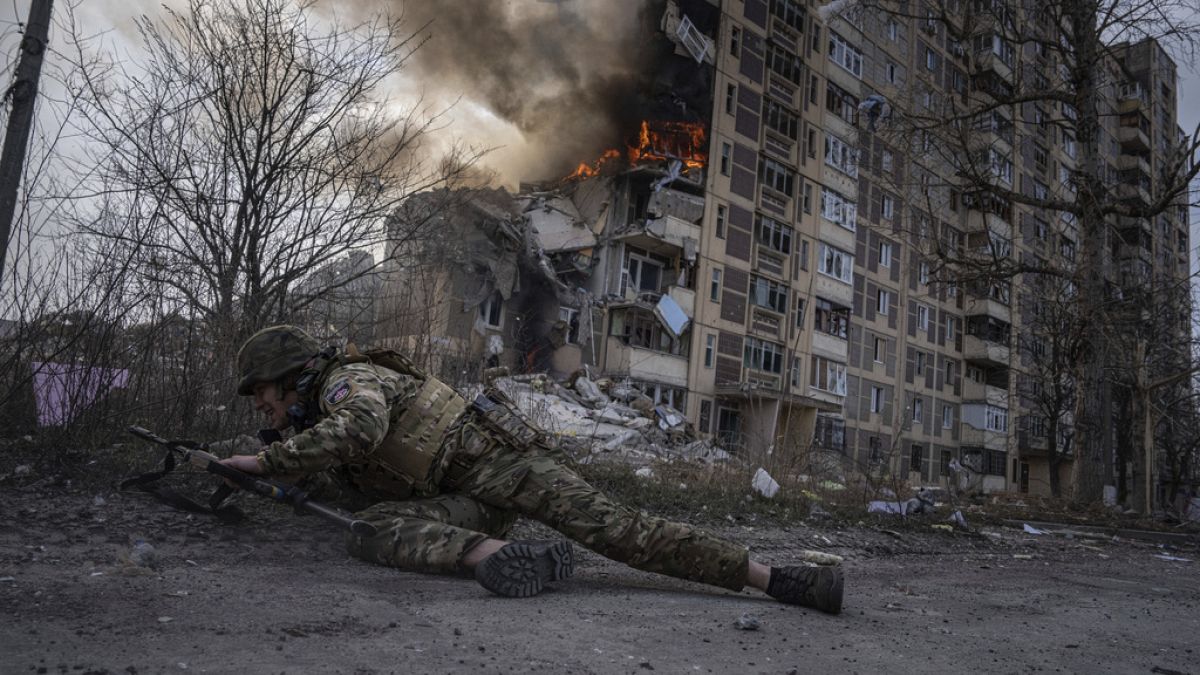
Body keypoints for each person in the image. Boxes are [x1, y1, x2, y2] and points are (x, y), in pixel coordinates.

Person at [218, 325, 844, 613]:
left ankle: (779, 580)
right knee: (369, 527)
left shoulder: (344, 384)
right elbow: (350, 476)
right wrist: (265, 471)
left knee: (622, 532)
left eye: (262, 391)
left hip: (508, 468)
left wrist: (265, 458)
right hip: (468, 506)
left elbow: (361, 427)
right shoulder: (312, 417)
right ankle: (496, 556)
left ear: (291, 375)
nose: (261, 404)